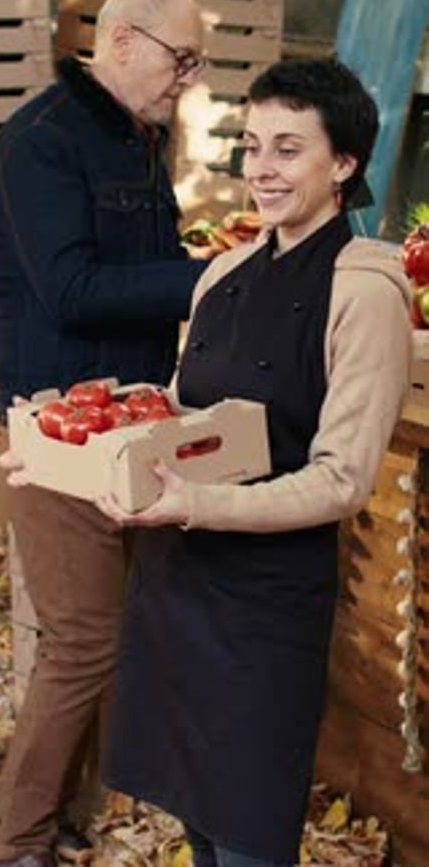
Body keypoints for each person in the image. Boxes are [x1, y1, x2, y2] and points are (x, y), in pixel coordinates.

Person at [91, 58, 413, 867]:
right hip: (174, 586)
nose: (261, 171)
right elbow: (175, 413)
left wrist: (198, 505)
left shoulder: (365, 290)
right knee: (197, 824)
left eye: (289, 150)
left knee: (249, 839)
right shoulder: (224, 275)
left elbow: (342, 478)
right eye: (254, 146)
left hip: (264, 608)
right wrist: (85, 455)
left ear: (343, 164)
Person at [0, 0, 207, 865]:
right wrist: (209, 279)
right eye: (177, 58)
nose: (187, 77)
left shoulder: (139, 139)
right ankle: (15, 845)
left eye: (195, 62)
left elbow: (144, 273)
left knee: (108, 635)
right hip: (55, 430)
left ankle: (73, 812)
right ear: (120, 43)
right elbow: (70, 292)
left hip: (127, 423)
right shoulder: (41, 145)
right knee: (83, 640)